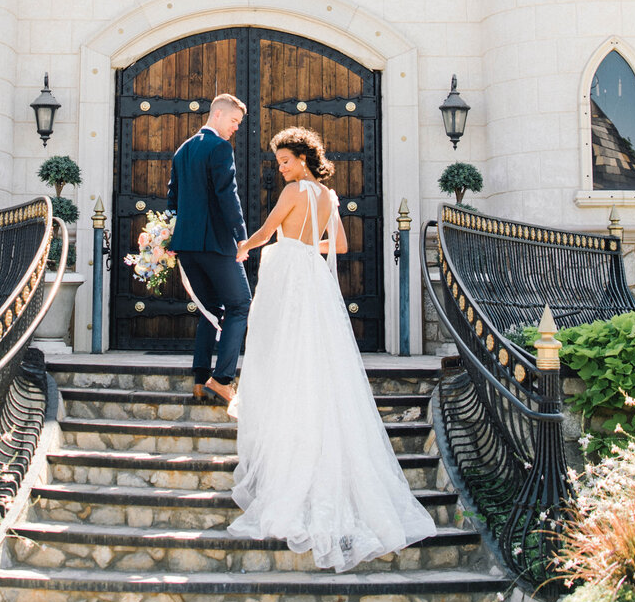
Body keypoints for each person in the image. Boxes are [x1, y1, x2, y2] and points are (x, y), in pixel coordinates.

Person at [229, 126, 436, 572]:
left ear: (302, 159)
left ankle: (289, 445)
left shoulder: (294, 191)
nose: (280, 167)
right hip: (315, 279)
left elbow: (266, 230)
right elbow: (338, 245)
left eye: (284, 160)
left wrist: (242, 249)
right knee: (320, 359)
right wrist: (306, 247)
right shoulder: (328, 197)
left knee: (283, 352)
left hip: (288, 276)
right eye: (280, 162)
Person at [167, 93, 251, 405]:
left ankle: (200, 380)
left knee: (209, 309)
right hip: (216, 244)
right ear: (217, 115)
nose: (236, 128)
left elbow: (172, 201)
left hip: (186, 248)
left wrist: (168, 239)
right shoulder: (219, 147)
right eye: (234, 121)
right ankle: (223, 379)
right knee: (240, 305)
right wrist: (241, 236)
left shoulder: (182, 150)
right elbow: (227, 195)